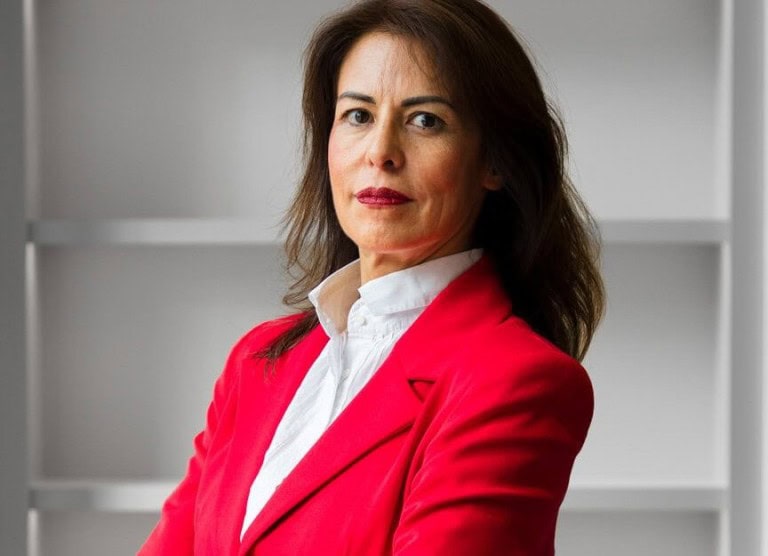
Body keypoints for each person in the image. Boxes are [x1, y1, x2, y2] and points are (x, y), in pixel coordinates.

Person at [139, 0, 605, 554]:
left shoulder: (517, 380)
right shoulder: (256, 362)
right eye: (358, 116)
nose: (380, 152)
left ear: (494, 162)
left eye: (425, 121)